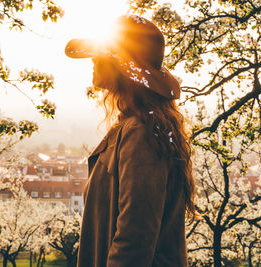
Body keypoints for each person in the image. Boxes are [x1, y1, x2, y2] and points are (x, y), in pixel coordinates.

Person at [64, 15, 197, 267]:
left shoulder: (142, 132)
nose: (93, 61)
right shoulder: (135, 127)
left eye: (100, 55)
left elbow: (134, 240)